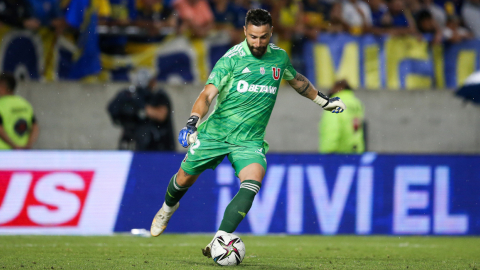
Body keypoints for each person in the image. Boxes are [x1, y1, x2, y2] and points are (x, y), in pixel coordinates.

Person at [149, 9, 346, 258]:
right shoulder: (231, 58)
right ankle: (167, 208)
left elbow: (297, 81)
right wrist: (192, 122)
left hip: (249, 141)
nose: (258, 42)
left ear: (271, 33)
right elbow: (207, 94)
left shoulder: (279, 58)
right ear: (244, 32)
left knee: (253, 180)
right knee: (183, 179)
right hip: (215, 134)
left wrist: (322, 101)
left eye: (263, 37)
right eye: (253, 36)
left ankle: (220, 238)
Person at [107, 69, 175, 151]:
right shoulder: (133, 95)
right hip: (135, 141)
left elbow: (161, 115)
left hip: (160, 146)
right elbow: (113, 109)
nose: (154, 83)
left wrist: (141, 107)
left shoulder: (159, 95)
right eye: (152, 81)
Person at [319, 79, 364, 154]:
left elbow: (331, 129)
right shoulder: (356, 103)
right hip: (355, 153)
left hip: (338, 154)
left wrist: (327, 153)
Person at [0, 73, 39, 150]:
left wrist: (14, 146)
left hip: (3, 152)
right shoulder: (25, 104)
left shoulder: (1, 104)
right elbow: (35, 127)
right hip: (22, 153)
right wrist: (28, 144)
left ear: (2, 87)